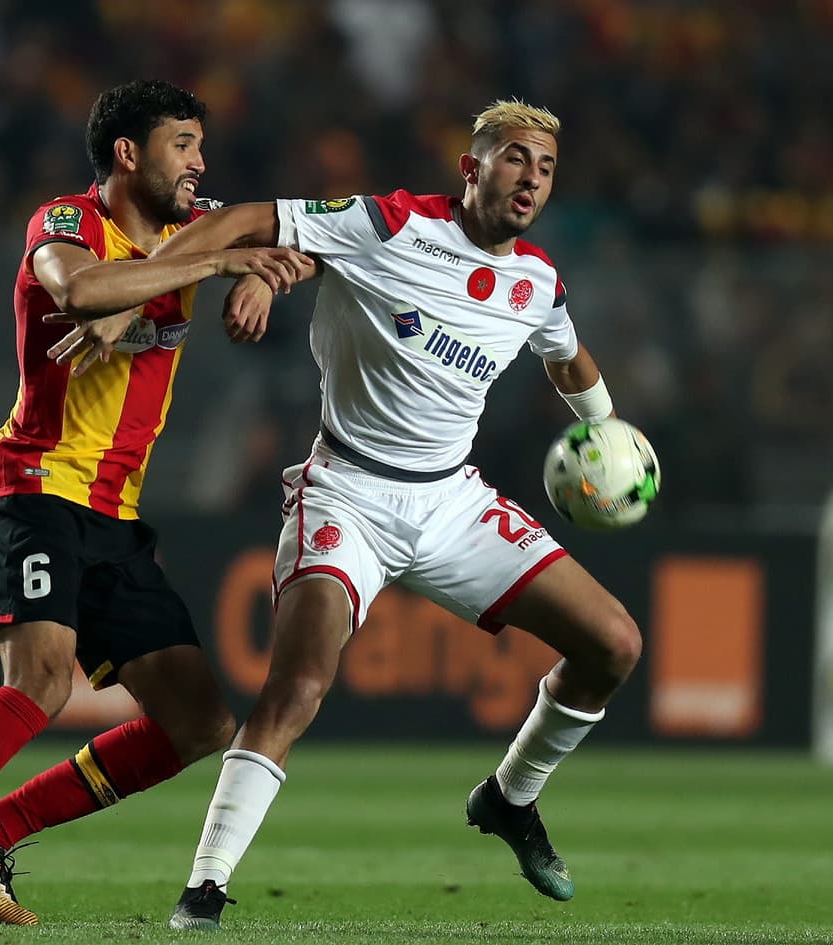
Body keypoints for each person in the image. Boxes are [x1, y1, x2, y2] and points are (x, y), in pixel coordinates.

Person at [59, 99, 643, 931]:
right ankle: (205, 890)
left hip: (452, 501)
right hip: (348, 493)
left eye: (546, 167)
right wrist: (152, 292)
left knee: (615, 643)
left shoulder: (538, 280)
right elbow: (246, 219)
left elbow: (568, 359)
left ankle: (510, 799)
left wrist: (608, 432)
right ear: (472, 167)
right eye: (516, 158)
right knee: (297, 685)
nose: (533, 178)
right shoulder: (386, 225)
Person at [0, 78, 314, 928]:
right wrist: (217, 259)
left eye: (201, 146)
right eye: (182, 146)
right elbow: (81, 291)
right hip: (34, 487)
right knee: (43, 681)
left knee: (198, 720)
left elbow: (315, 240)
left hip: (114, 515)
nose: (201, 162)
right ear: (129, 154)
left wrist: (267, 276)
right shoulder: (64, 223)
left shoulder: (196, 224)